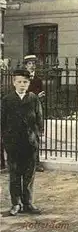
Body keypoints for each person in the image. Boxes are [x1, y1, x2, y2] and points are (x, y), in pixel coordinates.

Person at [1, 68, 43, 216]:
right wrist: (5, 139)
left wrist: (36, 136)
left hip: (30, 143)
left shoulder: (33, 98)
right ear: (13, 83)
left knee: (29, 174)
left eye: (25, 82)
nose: (22, 84)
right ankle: (16, 204)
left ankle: (28, 203)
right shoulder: (7, 100)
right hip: (13, 143)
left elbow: (39, 119)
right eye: (19, 82)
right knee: (14, 174)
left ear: (29, 83)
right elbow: (2, 121)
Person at [24, 55, 45, 172]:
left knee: (35, 138)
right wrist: (36, 97)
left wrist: (40, 97)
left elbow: (40, 95)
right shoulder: (22, 80)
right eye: (30, 64)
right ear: (26, 65)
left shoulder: (38, 80)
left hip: (35, 112)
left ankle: (36, 163)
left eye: (34, 64)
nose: (32, 66)